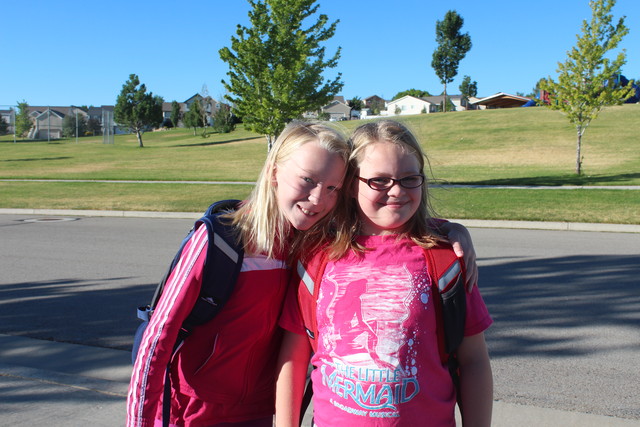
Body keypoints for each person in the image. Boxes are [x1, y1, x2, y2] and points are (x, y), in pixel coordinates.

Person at [128, 120, 478, 427]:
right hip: (191, 411)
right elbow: (157, 338)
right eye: (307, 180)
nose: (316, 199)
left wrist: (448, 230)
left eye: (331, 188)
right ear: (274, 171)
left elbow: (389, 224)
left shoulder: (309, 241)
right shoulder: (220, 242)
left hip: (259, 412)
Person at [276, 120, 493, 427]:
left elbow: (474, 361)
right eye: (379, 181)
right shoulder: (315, 257)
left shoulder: (446, 259)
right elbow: (294, 360)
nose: (397, 191)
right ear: (352, 185)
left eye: (409, 179)